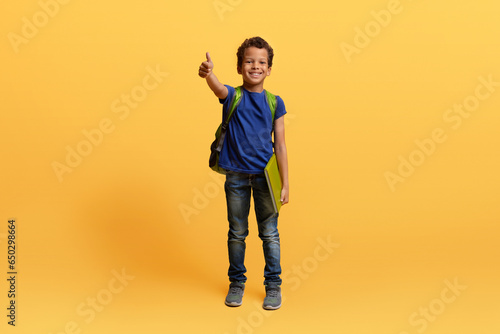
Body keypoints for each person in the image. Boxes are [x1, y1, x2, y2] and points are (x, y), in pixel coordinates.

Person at [198, 37, 289, 310]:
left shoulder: (275, 102)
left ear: (269, 69)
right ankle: (236, 283)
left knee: (270, 233)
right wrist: (209, 74)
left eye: (262, 62)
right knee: (237, 232)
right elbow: (217, 88)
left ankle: (273, 286)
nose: (255, 66)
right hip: (236, 177)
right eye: (249, 61)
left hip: (265, 178)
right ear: (240, 67)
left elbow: (281, 145)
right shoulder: (232, 96)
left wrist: (285, 184)